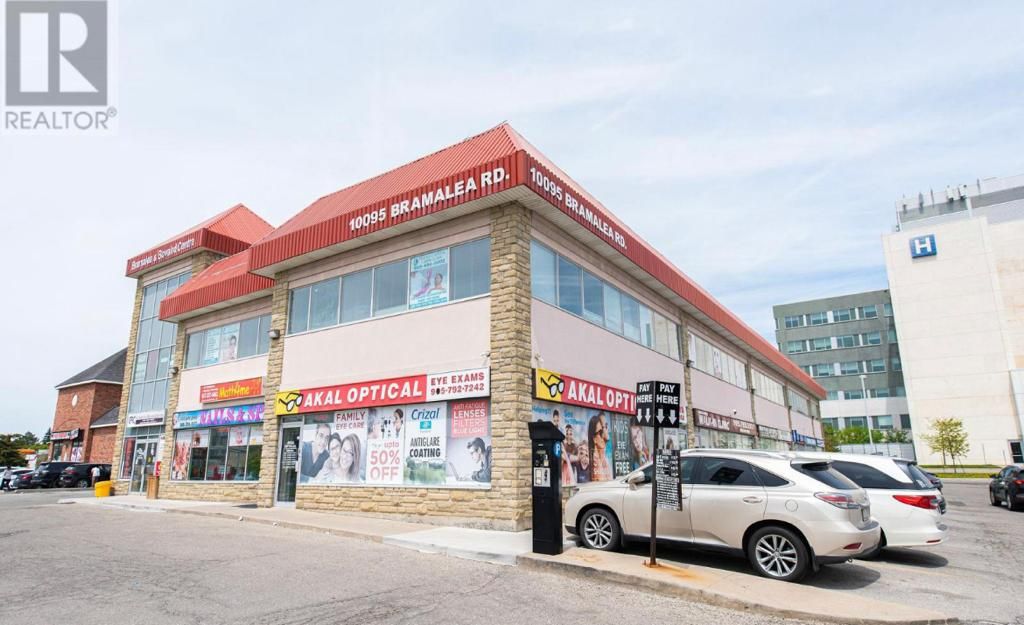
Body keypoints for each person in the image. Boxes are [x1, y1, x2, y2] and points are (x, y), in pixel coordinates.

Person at [588, 412, 612, 481]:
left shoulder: (603, 458)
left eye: (606, 427)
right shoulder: (596, 462)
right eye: (600, 432)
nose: (604, 435)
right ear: (594, 438)